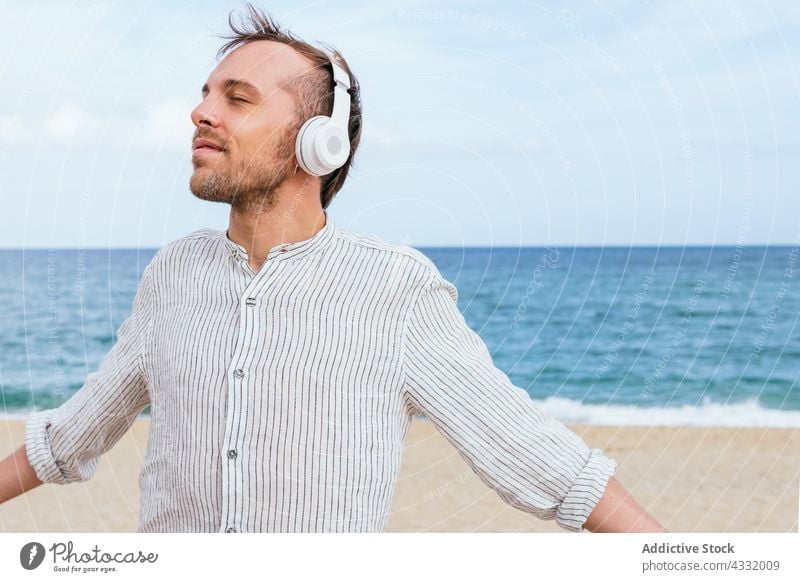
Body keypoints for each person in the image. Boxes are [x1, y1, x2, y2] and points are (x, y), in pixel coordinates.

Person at [0, 3, 663, 533]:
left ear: (318, 141)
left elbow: (541, 460)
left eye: (238, 98)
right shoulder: (171, 277)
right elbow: (69, 437)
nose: (200, 111)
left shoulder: (394, 289)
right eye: (206, 93)